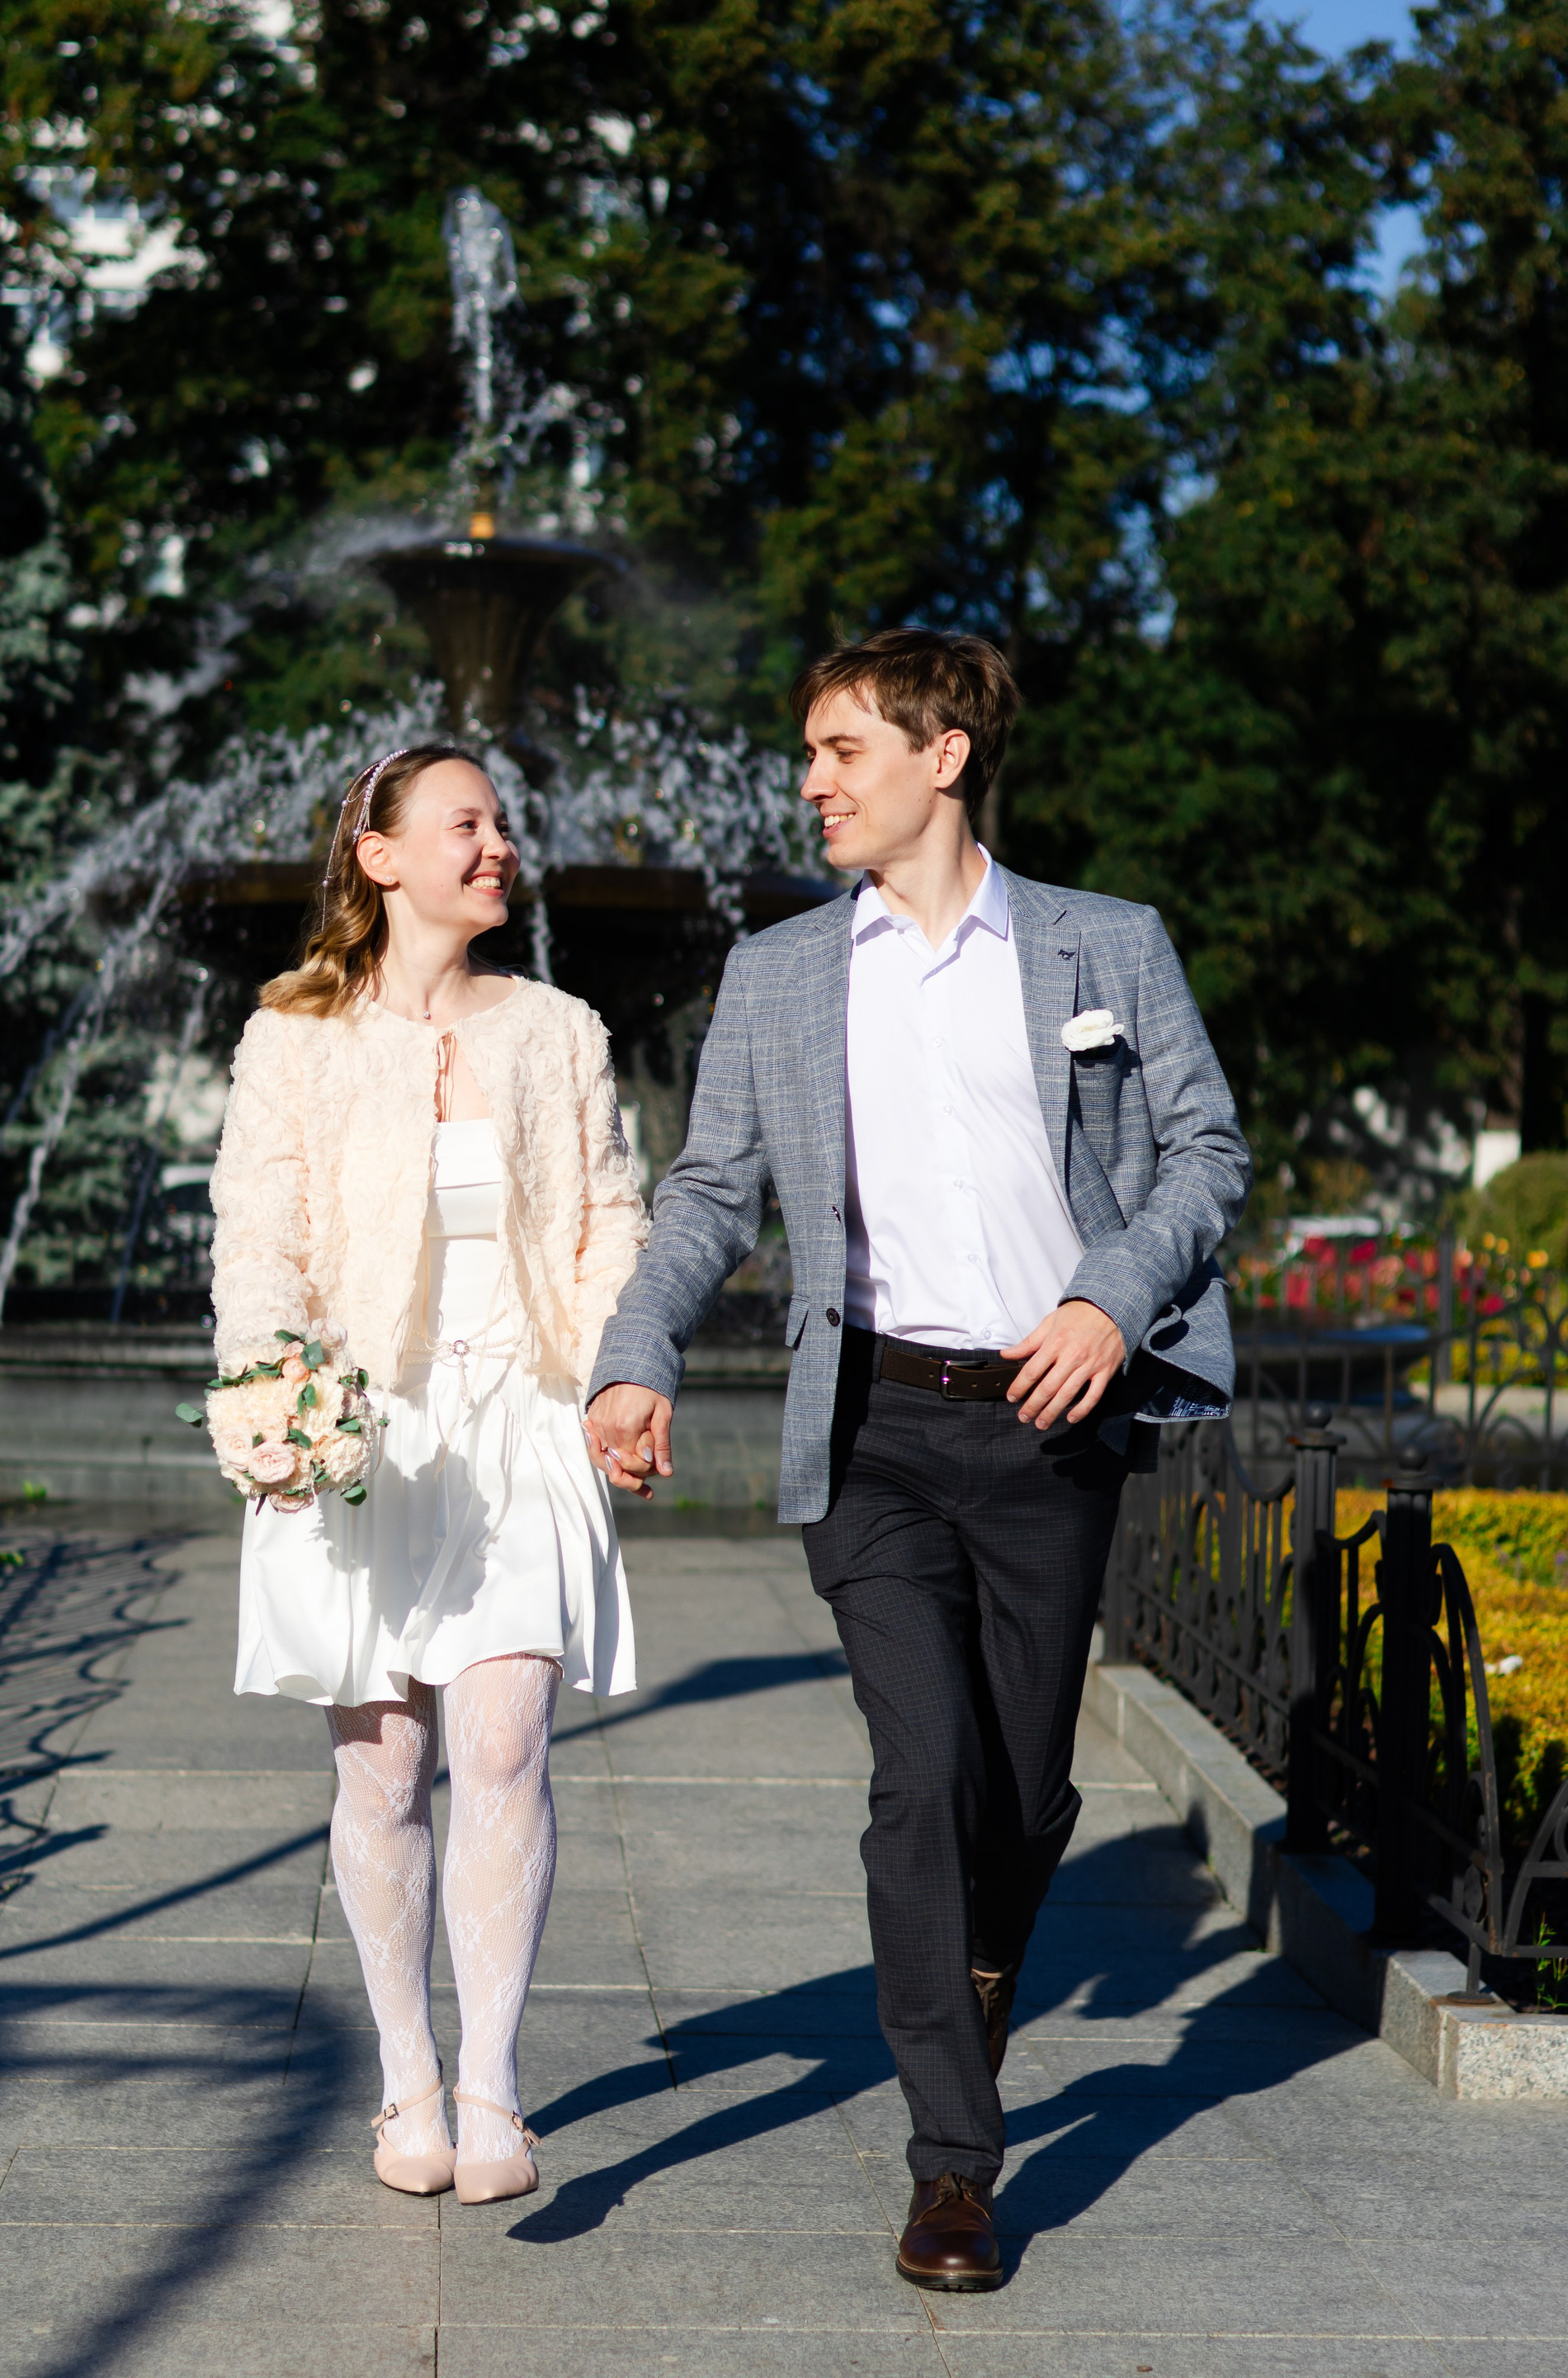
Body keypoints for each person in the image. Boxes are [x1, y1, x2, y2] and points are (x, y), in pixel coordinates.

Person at [584, 629, 1250, 2291]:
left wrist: (1108, 1298)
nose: (812, 781)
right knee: (921, 1773)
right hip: (874, 1423)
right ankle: (955, 2161)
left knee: (1018, 1792)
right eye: (810, 752)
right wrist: (636, 1352)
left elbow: (1207, 1149)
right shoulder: (783, 973)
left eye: (842, 750)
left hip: (1053, 1415)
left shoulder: (1106, 944)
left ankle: (980, 1969)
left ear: (942, 755)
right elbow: (710, 1192)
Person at [210, 742, 645, 2205]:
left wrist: (617, 1377)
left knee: (507, 1747)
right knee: (384, 1765)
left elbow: (608, 1218)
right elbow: (259, 1237)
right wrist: (273, 1392)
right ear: (383, 857)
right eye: (467, 823)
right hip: (361, 1427)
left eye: (503, 823)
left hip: (518, 1416)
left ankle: (493, 2086)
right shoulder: (293, 1037)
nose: (498, 844)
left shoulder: (560, 1029)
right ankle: (406, 2074)